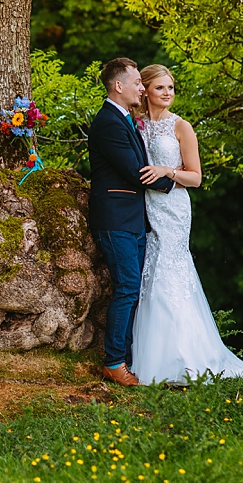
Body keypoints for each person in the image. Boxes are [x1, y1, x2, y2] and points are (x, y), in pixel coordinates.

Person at [130, 64, 243, 385]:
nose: (168, 93)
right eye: (161, 88)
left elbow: (196, 177)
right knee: (149, 269)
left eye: (171, 88)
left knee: (168, 269)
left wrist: (166, 171)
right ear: (145, 90)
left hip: (173, 205)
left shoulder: (181, 127)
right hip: (142, 206)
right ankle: (151, 357)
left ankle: (185, 357)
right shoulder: (135, 124)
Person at [87, 57, 175, 387]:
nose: (143, 87)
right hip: (115, 219)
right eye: (138, 82)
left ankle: (127, 356)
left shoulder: (124, 118)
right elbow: (135, 171)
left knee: (133, 289)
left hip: (132, 219)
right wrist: (175, 183)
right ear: (118, 86)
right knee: (126, 289)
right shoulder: (108, 122)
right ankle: (113, 363)